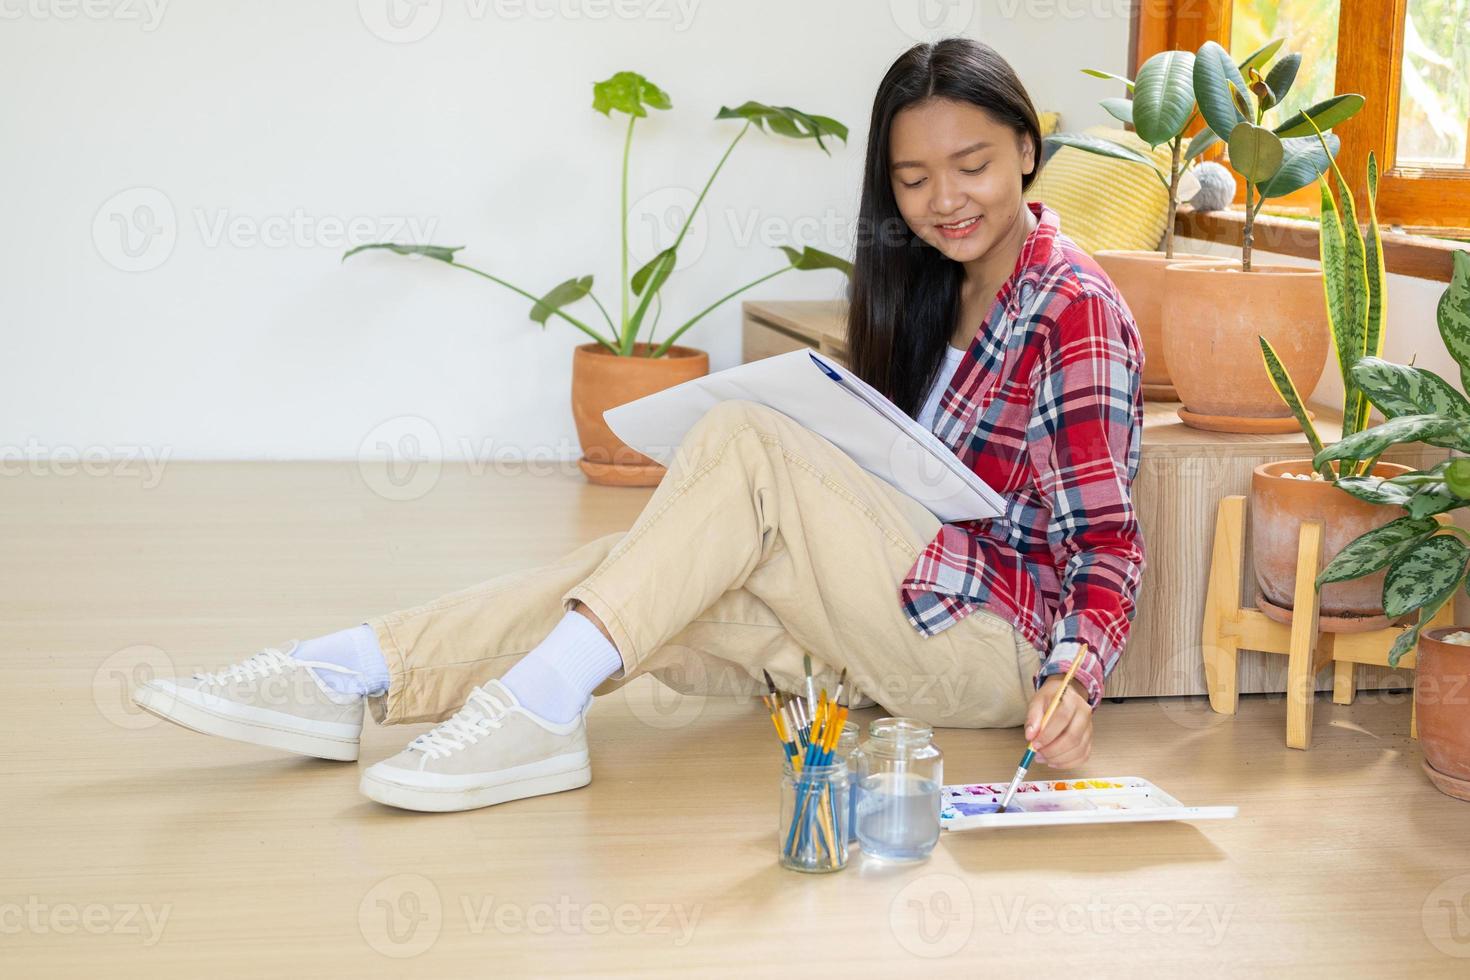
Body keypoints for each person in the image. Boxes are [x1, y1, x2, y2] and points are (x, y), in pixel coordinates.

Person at [132, 37, 1145, 814]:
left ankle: (531, 709)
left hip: (991, 647)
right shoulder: (933, 292)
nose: (943, 200)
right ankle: (355, 670)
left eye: (969, 164)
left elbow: (1107, 544)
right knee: (639, 581)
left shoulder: (1074, 305)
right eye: (913, 180)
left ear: (1026, 145)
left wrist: (1073, 677)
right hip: (891, 615)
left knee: (743, 439)